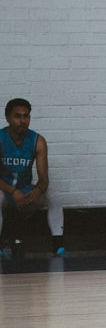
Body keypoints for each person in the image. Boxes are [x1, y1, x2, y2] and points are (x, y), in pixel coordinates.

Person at [0, 97, 53, 258]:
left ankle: (59, 248)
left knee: (55, 198)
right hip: (4, 188)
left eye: (26, 116)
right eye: (18, 116)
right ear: (8, 118)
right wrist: (12, 191)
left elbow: (44, 179)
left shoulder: (38, 141)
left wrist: (38, 190)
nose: (22, 120)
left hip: (25, 189)